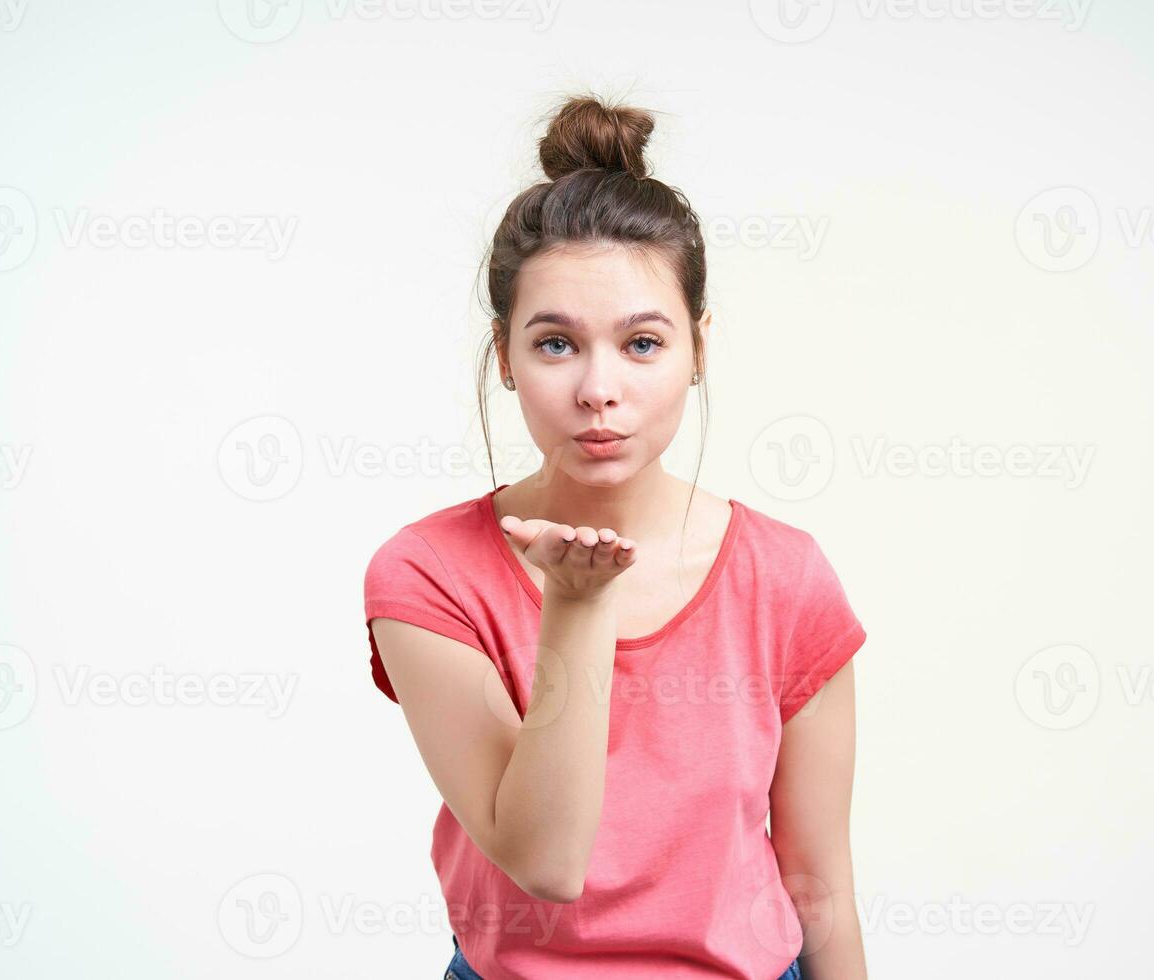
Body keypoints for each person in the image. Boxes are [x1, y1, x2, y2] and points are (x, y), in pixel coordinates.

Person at [363, 93, 868, 980]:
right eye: (556, 344)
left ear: (699, 350)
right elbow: (546, 861)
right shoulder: (429, 576)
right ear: (505, 355)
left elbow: (819, 885)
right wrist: (576, 603)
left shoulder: (786, 579)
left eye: (642, 343)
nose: (599, 388)